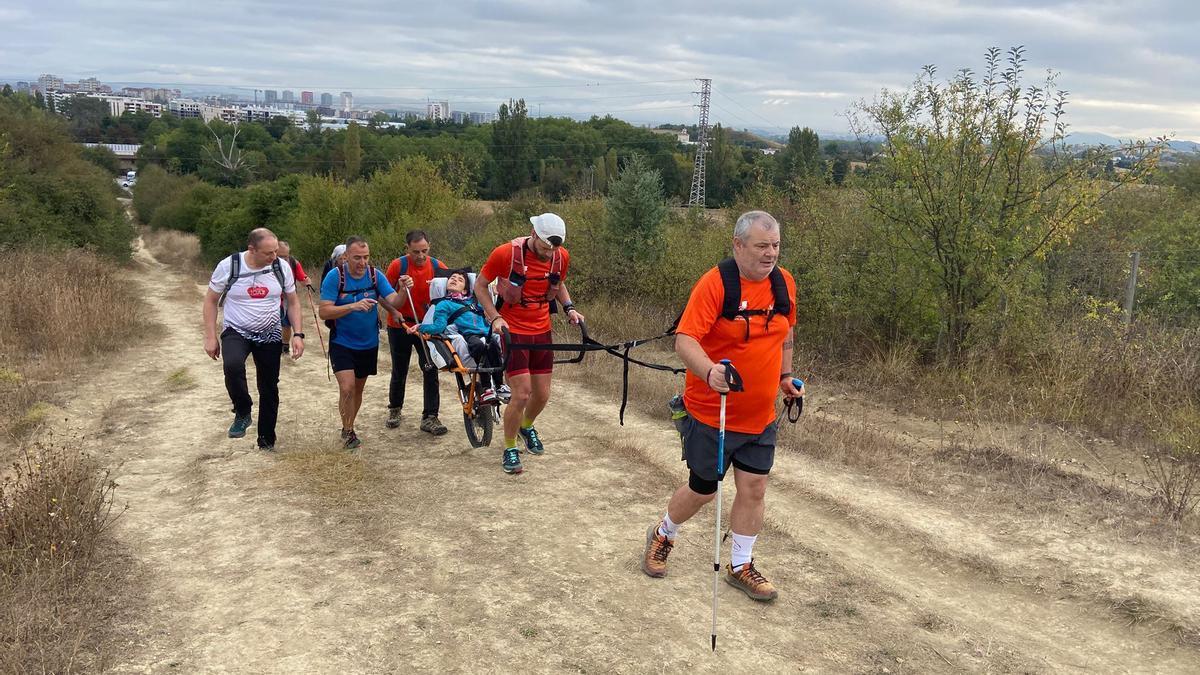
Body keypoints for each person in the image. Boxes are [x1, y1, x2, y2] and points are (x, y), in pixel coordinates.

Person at [640, 211, 803, 602]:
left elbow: (786, 332)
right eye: (762, 246)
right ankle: (664, 533)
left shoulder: (784, 284)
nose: (771, 254)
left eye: (776, 245)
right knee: (704, 489)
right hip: (713, 412)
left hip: (760, 415)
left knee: (755, 487)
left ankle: (741, 564)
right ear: (738, 244)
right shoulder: (716, 284)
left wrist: (786, 377)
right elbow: (685, 340)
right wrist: (711, 371)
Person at [474, 213, 584, 475]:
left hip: (542, 329)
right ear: (534, 235)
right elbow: (480, 286)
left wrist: (569, 308)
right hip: (512, 330)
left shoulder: (560, 256)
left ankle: (526, 426)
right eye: (546, 247)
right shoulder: (505, 254)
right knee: (521, 393)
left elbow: (559, 283)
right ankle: (510, 447)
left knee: (542, 394)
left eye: (554, 248)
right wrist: (496, 317)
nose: (550, 252)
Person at [202, 227, 305, 451]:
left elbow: (293, 302)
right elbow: (210, 301)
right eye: (268, 253)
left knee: (269, 386)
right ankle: (243, 410)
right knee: (232, 366)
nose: (274, 257)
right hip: (236, 329)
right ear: (252, 249)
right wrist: (210, 337)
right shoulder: (229, 266)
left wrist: (297, 334)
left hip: (270, 333)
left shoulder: (280, 267)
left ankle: (266, 440)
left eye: (276, 251)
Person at [318, 236, 406, 450]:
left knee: (357, 389)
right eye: (357, 257)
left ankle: (348, 425)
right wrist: (352, 306)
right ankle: (348, 431)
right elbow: (324, 311)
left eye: (366, 257)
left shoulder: (375, 275)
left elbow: (395, 301)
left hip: (368, 342)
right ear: (346, 256)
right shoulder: (335, 277)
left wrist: (404, 289)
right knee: (346, 388)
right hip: (342, 341)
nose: (362, 262)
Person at [406, 270, 507, 401]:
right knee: (479, 346)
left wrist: (496, 295)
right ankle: (487, 388)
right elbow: (439, 327)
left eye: (460, 280)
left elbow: (492, 313)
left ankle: (500, 385)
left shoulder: (476, 301)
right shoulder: (443, 304)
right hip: (469, 335)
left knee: (493, 344)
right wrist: (421, 327)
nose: (455, 280)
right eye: (452, 278)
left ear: (465, 290)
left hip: (486, 332)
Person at [383, 230, 449, 435]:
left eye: (424, 251)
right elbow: (382, 294)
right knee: (399, 369)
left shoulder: (438, 267)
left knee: (430, 368)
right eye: (415, 252)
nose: (420, 256)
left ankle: (430, 416)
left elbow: (450, 293)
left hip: (426, 327)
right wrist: (393, 311)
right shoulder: (398, 266)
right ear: (407, 249)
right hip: (400, 326)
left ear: (429, 247)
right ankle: (395, 409)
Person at [277, 240, 312, 354]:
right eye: (280, 256)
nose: (283, 260)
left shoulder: (293, 262)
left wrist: (306, 281)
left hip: (288, 298)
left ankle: (284, 347)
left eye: (285, 256)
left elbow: (302, 278)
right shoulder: (266, 263)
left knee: (286, 324)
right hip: (270, 299)